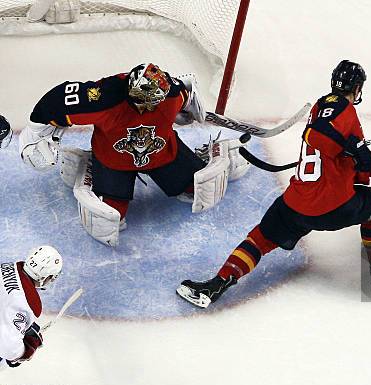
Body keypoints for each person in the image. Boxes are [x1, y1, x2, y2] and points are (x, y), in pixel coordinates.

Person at [177, 60, 371, 308]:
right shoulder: (339, 107)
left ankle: (218, 283)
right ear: (357, 88)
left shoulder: (325, 108)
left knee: (260, 238)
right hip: (333, 207)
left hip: (297, 205)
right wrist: (357, 148)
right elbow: (319, 134)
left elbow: (346, 153)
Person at [20, 63, 249, 247]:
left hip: (163, 152)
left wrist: (189, 105)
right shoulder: (103, 99)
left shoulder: (171, 92)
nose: (156, 105)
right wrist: (34, 134)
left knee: (194, 188)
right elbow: (56, 102)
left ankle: (209, 154)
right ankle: (90, 167)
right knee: (111, 217)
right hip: (113, 160)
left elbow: (185, 91)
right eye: (151, 102)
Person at [0, 246, 63, 369]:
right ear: (45, 277)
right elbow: (8, 348)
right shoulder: (26, 303)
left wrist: (22, 327)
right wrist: (24, 351)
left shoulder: (5, 268)